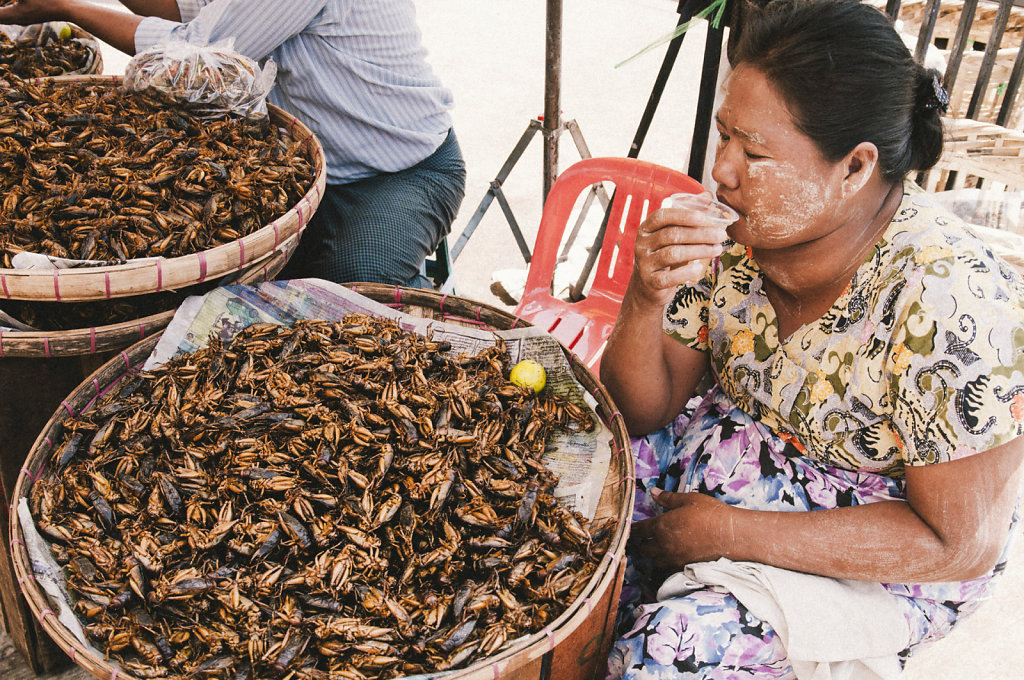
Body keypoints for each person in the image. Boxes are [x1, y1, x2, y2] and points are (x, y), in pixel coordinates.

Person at [599, 1, 1024, 678]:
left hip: (879, 547)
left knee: (670, 651)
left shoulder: (948, 303)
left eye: (755, 151)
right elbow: (640, 410)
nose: (723, 171)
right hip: (730, 463)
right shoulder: (735, 241)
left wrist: (729, 536)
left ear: (855, 168)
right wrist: (645, 298)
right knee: (567, 495)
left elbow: (957, 544)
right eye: (723, 136)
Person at [0, 0, 466, 289]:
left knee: (358, 297)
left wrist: (67, 6)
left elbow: (194, 55)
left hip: (398, 173)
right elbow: (190, 8)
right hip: (304, 169)